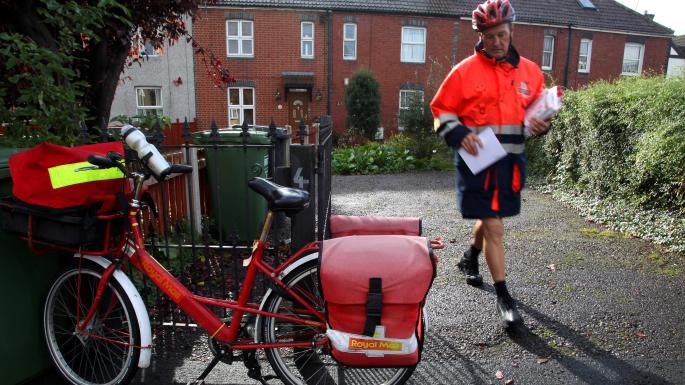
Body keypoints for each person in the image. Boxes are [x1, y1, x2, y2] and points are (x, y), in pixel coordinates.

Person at [430, 0, 551, 328]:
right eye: (489, 36)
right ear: (479, 35)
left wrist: (542, 124)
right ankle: (503, 296)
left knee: (492, 218)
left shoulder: (531, 72)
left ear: (511, 32)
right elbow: (441, 110)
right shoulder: (464, 71)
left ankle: (470, 257)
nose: (496, 41)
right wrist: (458, 133)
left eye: (501, 34)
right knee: (495, 224)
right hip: (477, 162)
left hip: (510, 161)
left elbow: (536, 115)